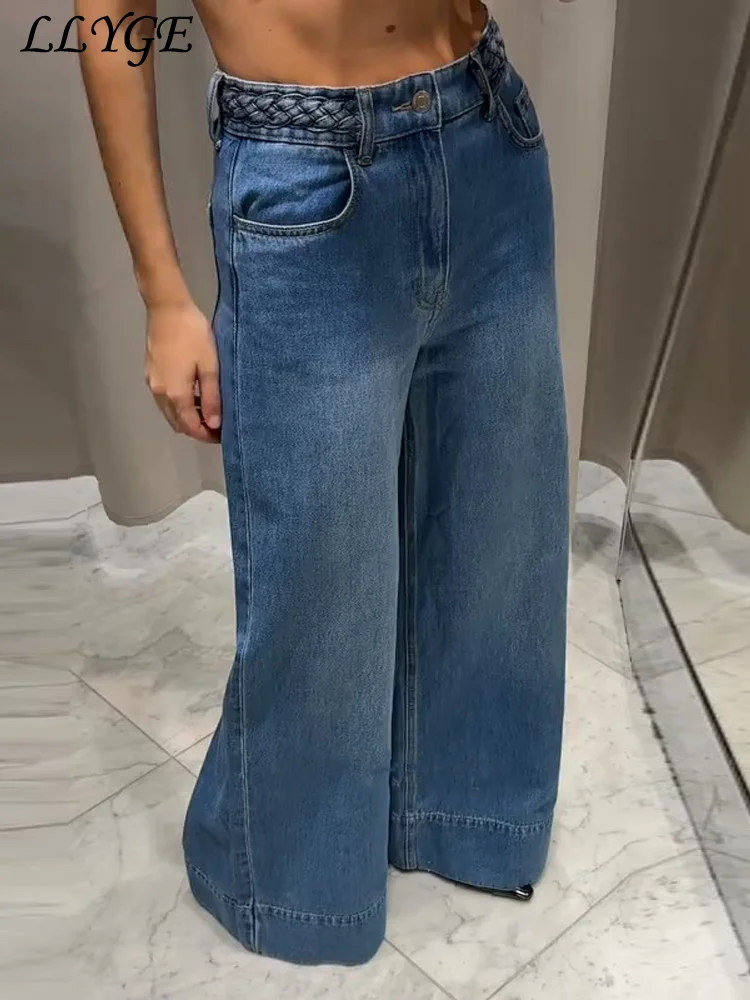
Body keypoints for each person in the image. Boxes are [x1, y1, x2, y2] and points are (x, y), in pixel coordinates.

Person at [77, 0, 573, 967]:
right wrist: (162, 294)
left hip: (486, 132)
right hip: (305, 171)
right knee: (320, 580)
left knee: (499, 530)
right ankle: (295, 883)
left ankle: (468, 815)